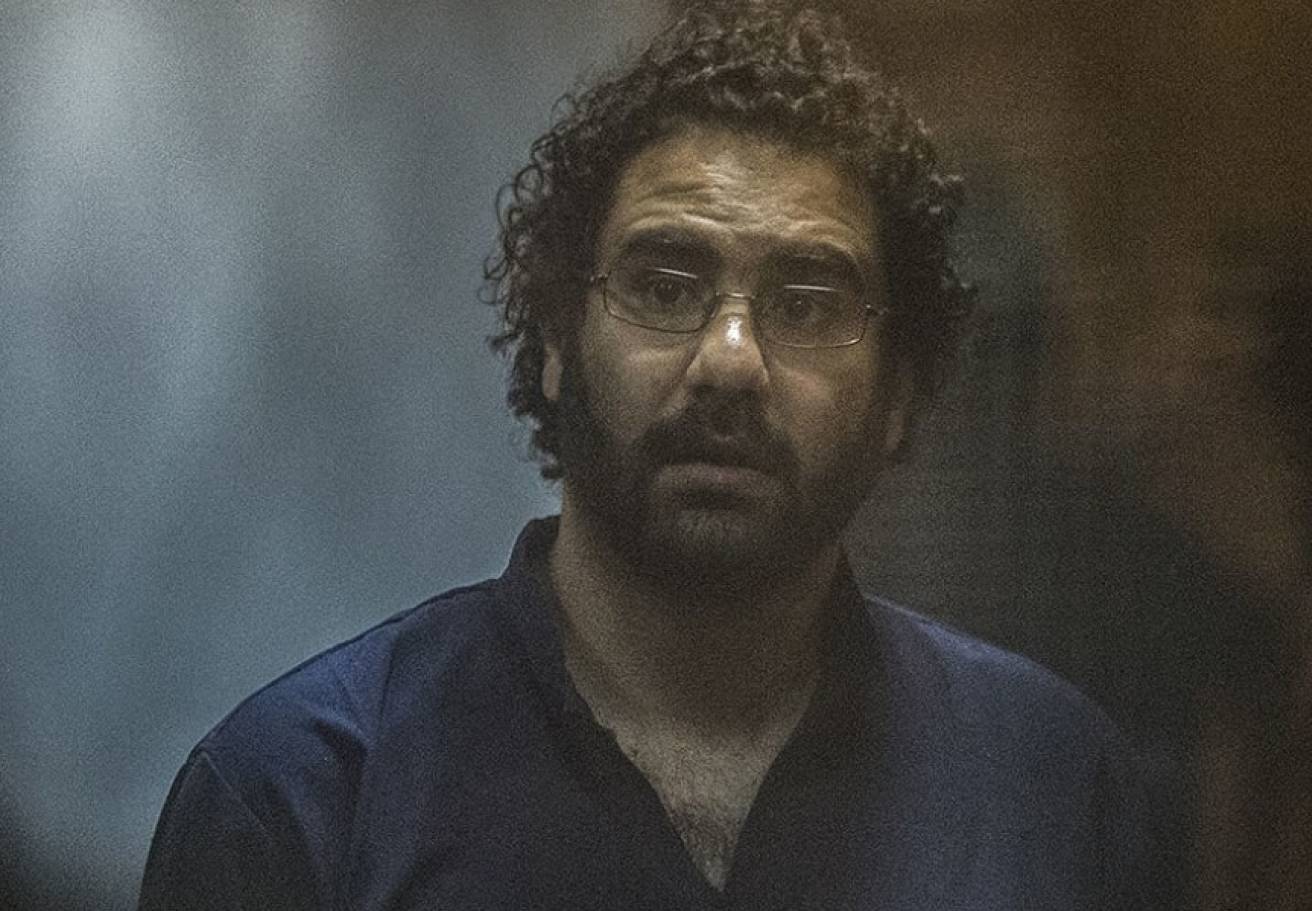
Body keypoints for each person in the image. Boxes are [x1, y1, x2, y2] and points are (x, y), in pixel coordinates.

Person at [139, 3, 1163, 908]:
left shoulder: (1053, 786)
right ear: (556, 341)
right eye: (666, 288)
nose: (731, 360)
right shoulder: (302, 799)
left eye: (808, 305)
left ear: (899, 393)